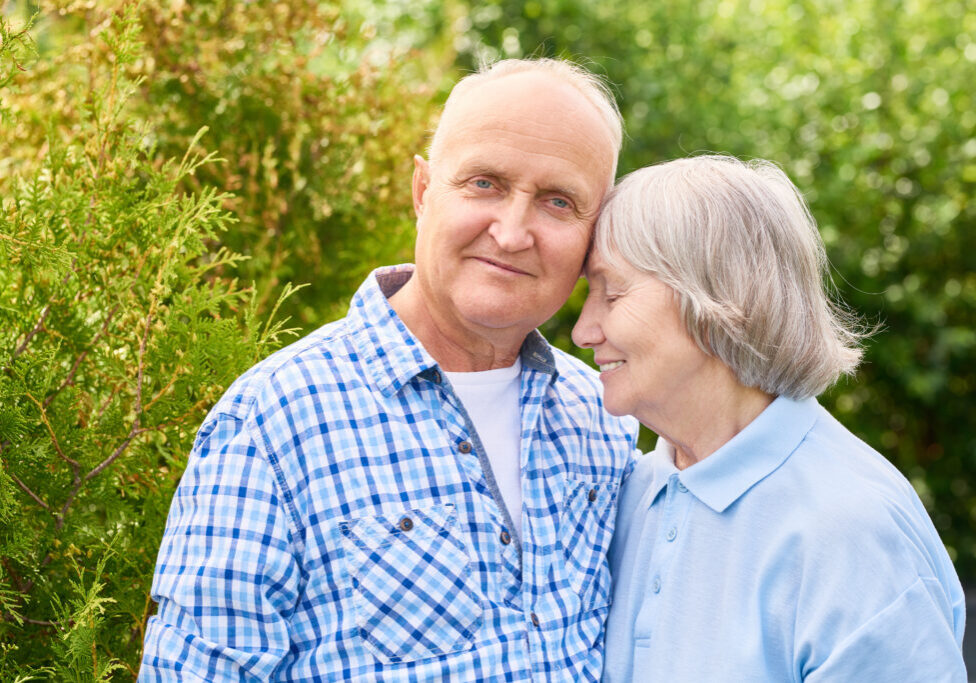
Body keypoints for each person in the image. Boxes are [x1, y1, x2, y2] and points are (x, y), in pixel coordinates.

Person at [139, 58, 639, 681]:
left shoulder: (606, 417)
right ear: (423, 192)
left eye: (558, 201)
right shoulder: (273, 423)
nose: (512, 233)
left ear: (595, 233)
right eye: (484, 183)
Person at [572, 155, 967, 681]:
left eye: (613, 292)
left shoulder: (851, 533)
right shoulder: (633, 492)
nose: (582, 330)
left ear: (717, 299)